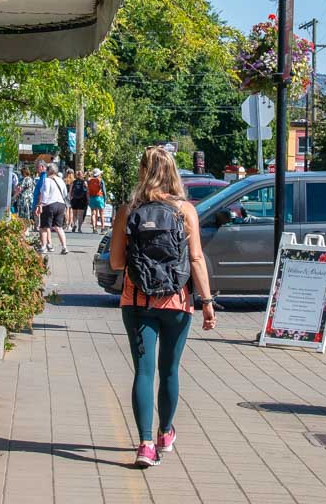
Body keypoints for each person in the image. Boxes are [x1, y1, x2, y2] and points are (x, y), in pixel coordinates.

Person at [108, 147, 215, 468]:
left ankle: (144, 445)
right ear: (173, 173)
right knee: (169, 370)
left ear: (142, 171)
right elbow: (195, 258)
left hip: (137, 300)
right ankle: (165, 434)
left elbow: (115, 261)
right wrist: (207, 303)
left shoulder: (129, 210)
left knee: (143, 370)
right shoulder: (185, 211)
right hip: (177, 301)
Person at [38, 163, 70, 255]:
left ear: (48, 171)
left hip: (49, 204)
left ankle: (43, 247)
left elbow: (45, 192)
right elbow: (65, 193)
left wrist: (41, 204)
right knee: (58, 227)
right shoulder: (61, 180)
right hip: (61, 204)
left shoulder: (47, 180)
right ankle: (64, 247)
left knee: (44, 226)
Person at [30, 161, 48, 234]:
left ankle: (38, 227)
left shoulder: (44, 177)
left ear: (43, 167)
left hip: (39, 201)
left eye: (38, 167)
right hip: (37, 200)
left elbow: (42, 191)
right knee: (36, 216)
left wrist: (38, 203)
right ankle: (37, 227)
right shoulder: (41, 177)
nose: (36, 169)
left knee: (37, 216)